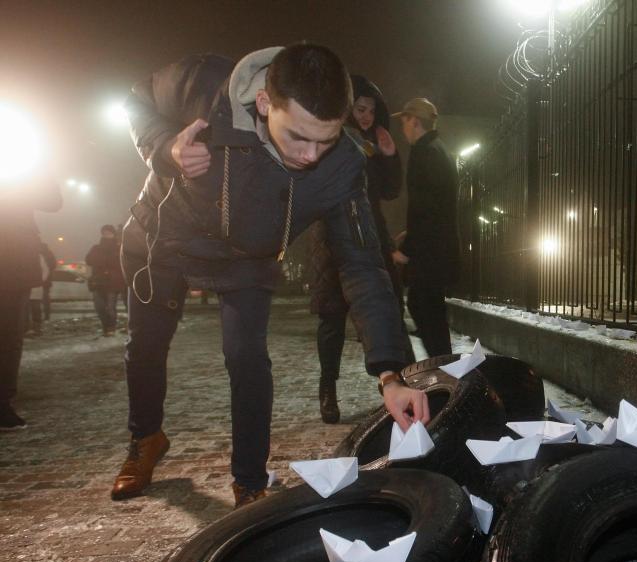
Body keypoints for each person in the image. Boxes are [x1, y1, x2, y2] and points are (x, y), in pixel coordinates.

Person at [114, 43, 429, 508]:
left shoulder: (342, 166)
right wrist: (166, 148)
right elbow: (136, 98)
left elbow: (363, 264)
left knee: (246, 357)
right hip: (164, 236)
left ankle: (249, 479)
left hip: (249, 255)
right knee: (146, 344)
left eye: (325, 139)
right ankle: (146, 438)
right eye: (298, 137)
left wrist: (391, 373)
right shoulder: (205, 85)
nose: (310, 155)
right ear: (264, 103)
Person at [311, 75, 414, 423]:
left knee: (386, 311)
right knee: (332, 321)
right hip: (332, 239)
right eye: (360, 108)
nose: (367, 115)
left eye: (372, 109)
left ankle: (396, 381)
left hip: (371, 238)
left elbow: (388, 192)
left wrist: (389, 156)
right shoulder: (333, 138)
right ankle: (328, 389)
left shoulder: (376, 141)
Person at [391, 98, 460, 357]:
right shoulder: (438, 149)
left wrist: (407, 249)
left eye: (404, 121)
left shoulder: (424, 153)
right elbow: (436, 204)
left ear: (415, 121)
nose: (403, 128)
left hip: (430, 253)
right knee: (430, 314)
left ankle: (445, 379)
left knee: (424, 310)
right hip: (438, 249)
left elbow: (424, 207)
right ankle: (444, 374)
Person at [0, 176, 62, 430]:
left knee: (9, 337)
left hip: (14, 264)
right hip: (15, 262)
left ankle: (2, 402)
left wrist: (42, 168)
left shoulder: (21, 177)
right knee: (9, 337)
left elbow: (51, 201)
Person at [85, 225, 125, 336]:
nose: (107, 235)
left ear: (113, 234)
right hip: (98, 281)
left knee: (110, 307)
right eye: (104, 233)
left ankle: (110, 328)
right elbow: (88, 260)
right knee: (99, 307)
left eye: (109, 233)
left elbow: (121, 264)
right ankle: (105, 326)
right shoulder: (96, 248)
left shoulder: (119, 248)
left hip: (113, 282)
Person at [26, 243, 55, 335]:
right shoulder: (40, 255)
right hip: (29, 286)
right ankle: (30, 327)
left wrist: (39, 281)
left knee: (34, 306)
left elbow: (46, 270)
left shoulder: (39, 257)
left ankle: (36, 327)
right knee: (29, 307)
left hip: (35, 286)